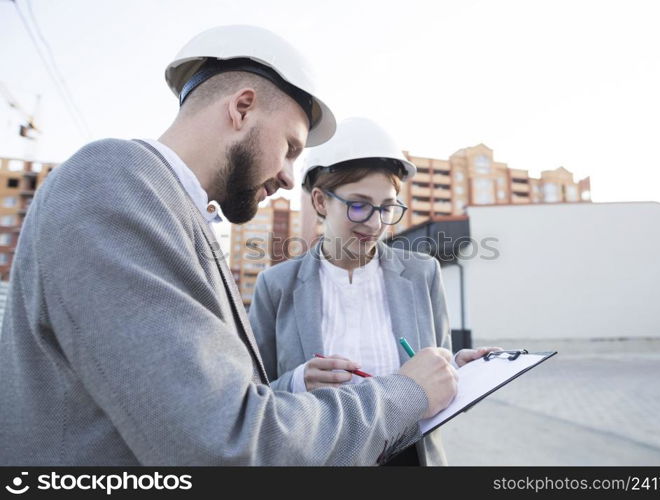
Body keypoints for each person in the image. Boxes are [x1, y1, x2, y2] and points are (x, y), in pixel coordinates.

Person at [0, 26, 458, 466]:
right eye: (291, 147)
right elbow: (229, 444)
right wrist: (406, 391)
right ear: (242, 109)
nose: (287, 177)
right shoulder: (112, 183)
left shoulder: (174, 211)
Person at [249, 117, 501, 465]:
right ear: (321, 202)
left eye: (387, 207)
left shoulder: (422, 274)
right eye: (359, 204)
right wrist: (294, 382)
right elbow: (250, 399)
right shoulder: (276, 285)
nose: (375, 223)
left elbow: (438, 364)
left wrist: (458, 367)